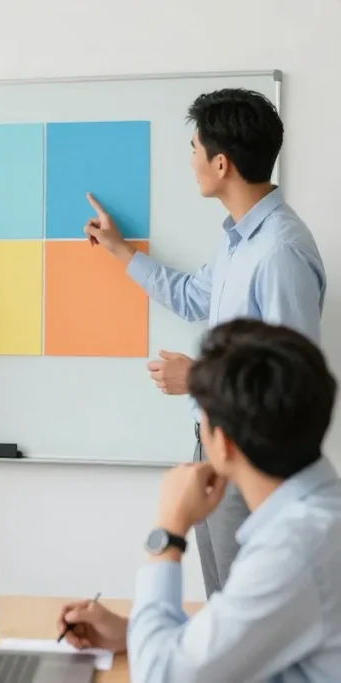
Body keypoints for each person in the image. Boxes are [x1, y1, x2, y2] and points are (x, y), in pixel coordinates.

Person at [84, 88, 326, 596]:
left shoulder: (280, 251)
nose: (189, 160)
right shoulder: (240, 240)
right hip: (214, 447)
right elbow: (194, 296)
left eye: (194, 148)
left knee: (245, 616)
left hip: (253, 465)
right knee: (221, 606)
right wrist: (120, 250)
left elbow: (291, 384)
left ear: (221, 164)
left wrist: (197, 376)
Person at [56, 319, 341, 682]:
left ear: (222, 443)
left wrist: (168, 531)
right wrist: (134, 634)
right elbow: (244, 639)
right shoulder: (318, 517)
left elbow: (160, 676)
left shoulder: (295, 547)